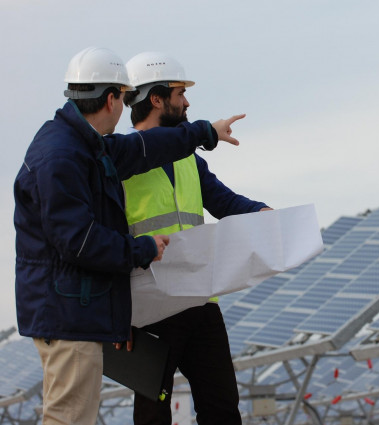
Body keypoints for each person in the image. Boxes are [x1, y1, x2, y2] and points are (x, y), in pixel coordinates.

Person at [13, 46, 245, 425]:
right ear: (110, 98)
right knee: (73, 417)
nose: (124, 106)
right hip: (87, 311)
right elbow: (80, 241)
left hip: (115, 306)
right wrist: (141, 250)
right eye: (122, 96)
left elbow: (146, 148)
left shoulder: (86, 149)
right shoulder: (63, 156)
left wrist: (206, 132)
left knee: (79, 415)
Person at [122, 51, 271, 425]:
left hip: (199, 299)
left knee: (221, 408)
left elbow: (223, 201)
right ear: (156, 99)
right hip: (148, 307)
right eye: (179, 93)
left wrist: (261, 213)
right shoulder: (120, 163)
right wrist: (116, 315)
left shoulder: (190, 159)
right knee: (153, 414)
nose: (187, 102)